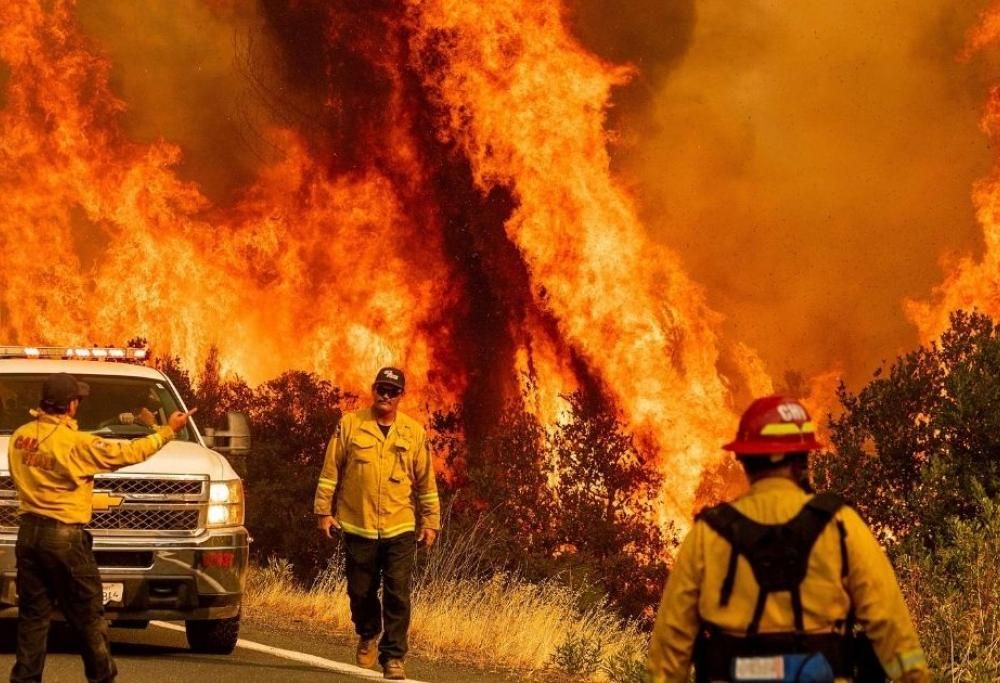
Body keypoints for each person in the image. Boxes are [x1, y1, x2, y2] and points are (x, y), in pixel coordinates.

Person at [645, 395, 928, 683]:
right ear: (801, 461)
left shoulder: (708, 534)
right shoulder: (840, 525)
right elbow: (888, 622)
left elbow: (671, 645)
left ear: (745, 460)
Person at [7, 372, 195, 683]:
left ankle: (25, 678)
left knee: (33, 617)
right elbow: (128, 453)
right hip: (65, 539)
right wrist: (167, 431)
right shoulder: (77, 444)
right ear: (69, 406)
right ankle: (102, 677)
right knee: (89, 616)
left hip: (28, 536)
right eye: (77, 400)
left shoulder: (19, 437)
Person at [314, 367, 440, 681]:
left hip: (400, 526)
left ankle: (394, 656)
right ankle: (367, 631)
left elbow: (426, 484)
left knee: (398, 592)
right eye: (381, 389)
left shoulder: (414, 433)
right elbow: (331, 472)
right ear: (373, 390)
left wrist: (431, 523)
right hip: (358, 525)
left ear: (401, 395)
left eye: (392, 391)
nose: (386, 395)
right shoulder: (351, 425)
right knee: (360, 591)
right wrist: (323, 512)